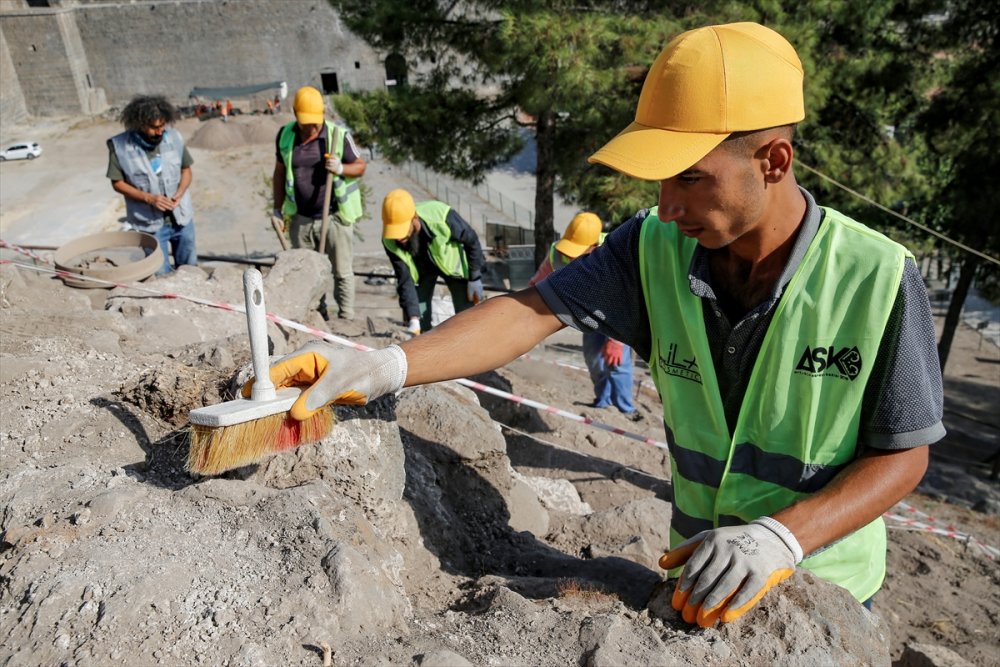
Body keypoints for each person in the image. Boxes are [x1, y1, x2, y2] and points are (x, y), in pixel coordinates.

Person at [254, 22, 944, 627]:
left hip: (822, 594)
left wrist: (783, 538)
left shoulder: (877, 277)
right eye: (661, 180)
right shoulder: (651, 248)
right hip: (695, 578)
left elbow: (904, 453)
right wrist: (388, 364)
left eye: (689, 178)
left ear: (773, 161)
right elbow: (527, 311)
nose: (666, 206)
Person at [272, 86, 366, 320]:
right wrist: (277, 209)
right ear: (295, 114)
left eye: (315, 122)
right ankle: (317, 315)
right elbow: (280, 174)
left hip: (334, 217)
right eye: (307, 123)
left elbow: (360, 166)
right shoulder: (285, 136)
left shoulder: (338, 135)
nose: (312, 128)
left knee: (342, 271)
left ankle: (346, 318)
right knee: (307, 272)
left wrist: (341, 168)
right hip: (301, 218)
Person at [530, 213, 636, 416]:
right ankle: (603, 404)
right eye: (569, 249)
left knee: (617, 362)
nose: (571, 256)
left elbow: (627, 299)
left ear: (593, 245)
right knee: (593, 359)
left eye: (578, 251)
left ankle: (626, 410)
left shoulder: (616, 252)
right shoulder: (557, 253)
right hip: (590, 314)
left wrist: (617, 341)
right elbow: (535, 286)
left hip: (619, 315)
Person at [107, 94, 197, 275]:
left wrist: (180, 192)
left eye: (162, 126)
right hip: (149, 225)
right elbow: (117, 183)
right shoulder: (120, 146)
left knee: (190, 271)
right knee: (159, 273)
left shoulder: (174, 137)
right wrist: (149, 198)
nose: (160, 131)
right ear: (139, 124)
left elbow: (186, 171)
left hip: (181, 219)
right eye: (154, 127)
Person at [381, 189, 486, 334]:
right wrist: (413, 318)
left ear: (414, 218)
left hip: (452, 269)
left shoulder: (441, 216)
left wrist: (475, 277)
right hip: (422, 272)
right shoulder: (389, 240)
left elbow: (471, 240)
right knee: (420, 317)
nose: (399, 238)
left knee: (466, 316)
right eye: (395, 232)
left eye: (403, 231)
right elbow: (404, 279)